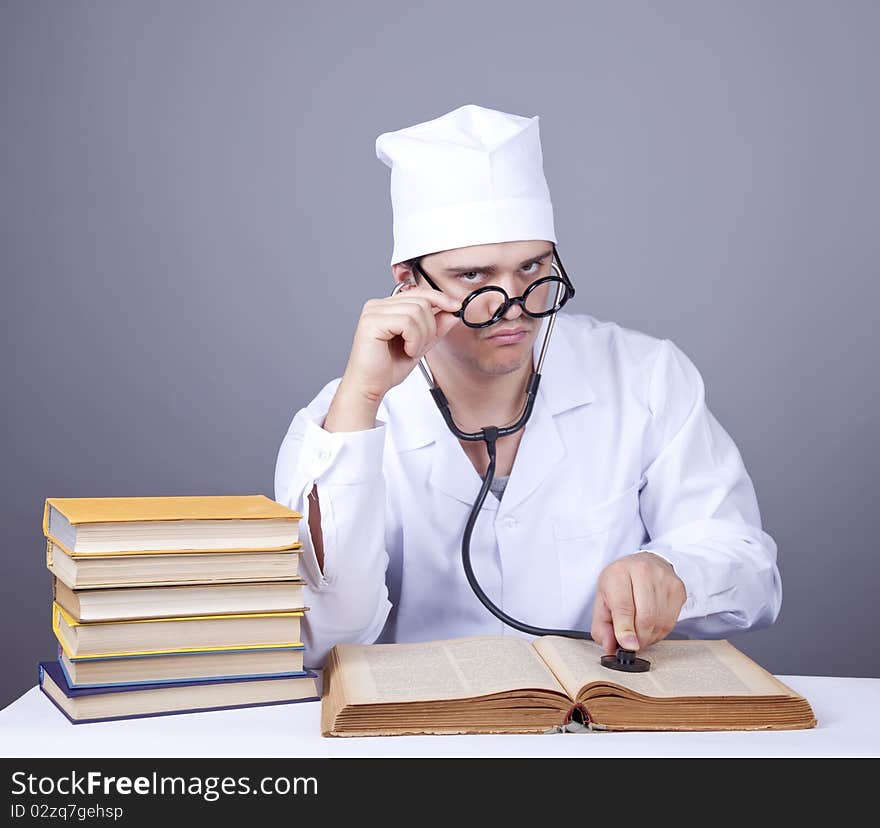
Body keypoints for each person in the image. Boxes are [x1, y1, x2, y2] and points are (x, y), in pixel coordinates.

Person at [274, 103, 781, 669]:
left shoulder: (644, 375)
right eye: (474, 277)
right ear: (409, 282)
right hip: (420, 734)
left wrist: (674, 573)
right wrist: (363, 400)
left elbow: (750, 568)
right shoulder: (342, 419)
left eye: (533, 268)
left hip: (603, 728)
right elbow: (322, 635)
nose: (514, 306)